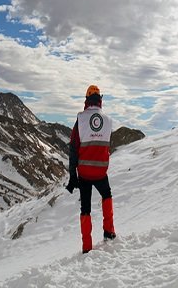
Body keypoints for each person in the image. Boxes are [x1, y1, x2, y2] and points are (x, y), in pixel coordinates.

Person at [66, 85, 116, 254]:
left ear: (86, 100)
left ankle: (87, 247)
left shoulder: (80, 119)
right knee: (107, 195)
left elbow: (73, 148)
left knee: (85, 208)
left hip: (84, 173)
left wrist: (73, 174)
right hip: (101, 172)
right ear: (100, 100)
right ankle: (109, 232)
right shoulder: (108, 120)